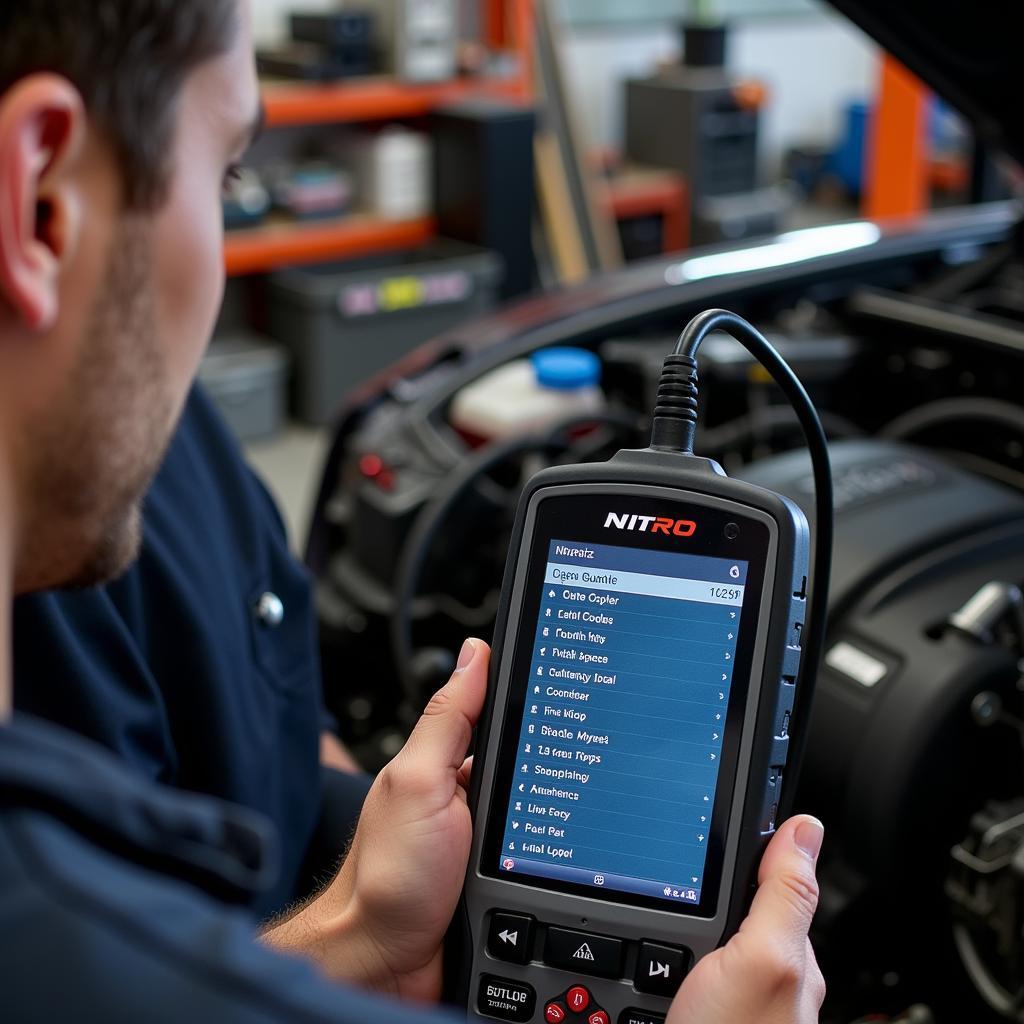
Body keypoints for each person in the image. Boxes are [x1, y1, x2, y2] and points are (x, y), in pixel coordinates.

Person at [0, 1, 826, 1020]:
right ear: (40, 202)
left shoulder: (169, 452)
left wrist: (357, 930)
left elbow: (287, 729)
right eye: (224, 177)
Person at [12, 381, 371, 919]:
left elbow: (290, 713)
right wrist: (356, 934)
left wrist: (384, 827)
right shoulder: (43, 563)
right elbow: (125, 978)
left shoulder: (172, 397)